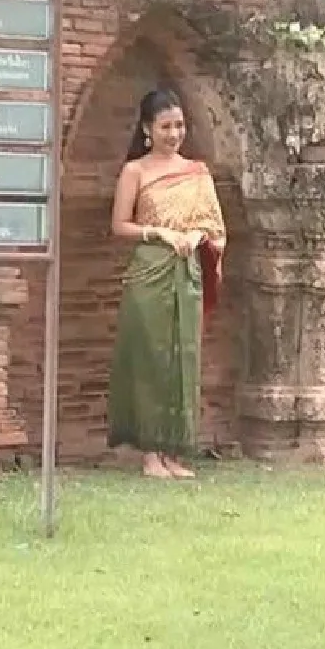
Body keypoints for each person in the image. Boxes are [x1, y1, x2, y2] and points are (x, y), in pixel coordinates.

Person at [107, 89, 227, 480]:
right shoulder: (135, 172)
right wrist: (158, 233)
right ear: (147, 129)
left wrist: (198, 239)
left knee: (183, 359)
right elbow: (119, 226)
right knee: (151, 358)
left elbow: (217, 230)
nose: (174, 133)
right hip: (149, 272)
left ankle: (174, 452)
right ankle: (149, 455)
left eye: (179, 125)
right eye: (165, 126)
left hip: (187, 271)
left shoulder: (197, 172)